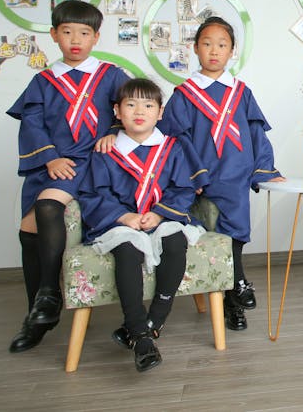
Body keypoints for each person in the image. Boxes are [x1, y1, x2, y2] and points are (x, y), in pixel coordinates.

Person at [6, 0, 129, 353]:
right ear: (54, 35)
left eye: (84, 32)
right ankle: (38, 311)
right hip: (54, 164)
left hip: (91, 162)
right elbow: (32, 124)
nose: (76, 39)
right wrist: (48, 158)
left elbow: (134, 107)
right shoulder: (43, 80)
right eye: (67, 31)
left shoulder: (111, 75)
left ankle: (48, 299)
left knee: (47, 207)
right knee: (27, 228)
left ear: (96, 37)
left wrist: (115, 129)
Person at [161, 17, 284, 331]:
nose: (213, 51)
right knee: (223, 220)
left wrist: (266, 170)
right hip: (203, 176)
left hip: (237, 171)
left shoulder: (240, 92)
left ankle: (233, 298)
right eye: (206, 44)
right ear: (195, 48)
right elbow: (176, 140)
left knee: (234, 214)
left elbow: (256, 132)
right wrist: (194, 176)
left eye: (222, 44)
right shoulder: (185, 94)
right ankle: (237, 286)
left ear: (232, 52)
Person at [78, 78, 209, 372]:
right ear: (117, 111)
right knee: (127, 250)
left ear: (160, 113)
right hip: (120, 222)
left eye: (148, 105)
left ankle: (155, 320)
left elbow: (183, 189)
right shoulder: (105, 151)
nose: (140, 111)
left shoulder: (171, 148)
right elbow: (93, 193)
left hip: (160, 217)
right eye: (131, 104)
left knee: (175, 241)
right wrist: (125, 217)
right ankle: (140, 335)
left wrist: (161, 214)